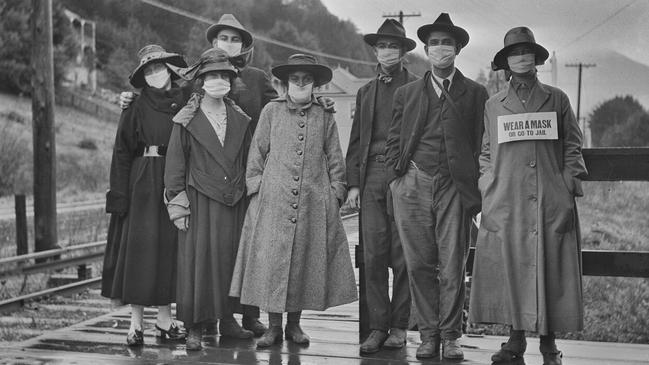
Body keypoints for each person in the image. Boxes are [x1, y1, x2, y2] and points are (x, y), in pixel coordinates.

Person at [470, 27, 587, 365]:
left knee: (549, 268)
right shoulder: (494, 105)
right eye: (514, 52)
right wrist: (487, 186)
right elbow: (486, 151)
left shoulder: (557, 98)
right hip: (507, 200)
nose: (521, 58)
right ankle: (515, 341)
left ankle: (549, 346)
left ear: (536, 58)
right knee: (513, 268)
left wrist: (567, 186)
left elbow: (573, 146)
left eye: (527, 51)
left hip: (550, 200)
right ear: (506, 61)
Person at [229, 54, 358, 348]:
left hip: (313, 200)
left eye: (306, 79)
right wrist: (257, 189)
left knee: (302, 261)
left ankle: (295, 326)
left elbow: (335, 157)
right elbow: (257, 152)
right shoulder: (271, 112)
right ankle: (274, 326)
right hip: (273, 200)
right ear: (286, 83)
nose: (300, 84)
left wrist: (336, 192)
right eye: (295, 80)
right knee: (275, 262)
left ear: (314, 84)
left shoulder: (324, 115)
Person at [385, 13, 488, 360]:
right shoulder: (407, 93)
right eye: (434, 43)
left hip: (454, 188)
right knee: (418, 264)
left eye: (447, 43)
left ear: (457, 48)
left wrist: (473, 186)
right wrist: (397, 180)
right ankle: (428, 335)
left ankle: (452, 335)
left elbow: (481, 143)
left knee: (453, 263)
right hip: (413, 182)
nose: (440, 49)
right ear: (426, 50)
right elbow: (393, 140)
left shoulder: (475, 93)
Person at [163, 48, 255, 350]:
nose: (218, 80)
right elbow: (175, 164)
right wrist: (178, 206)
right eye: (212, 75)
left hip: (234, 200)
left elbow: (246, 159)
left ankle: (228, 320)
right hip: (200, 199)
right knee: (198, 264)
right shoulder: (186, 118)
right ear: (201, 80)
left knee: (230, 261)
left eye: (223, 75)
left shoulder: (240, 118)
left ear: (231, 80)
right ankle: (195, 326)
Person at [102, 44, 190, 346]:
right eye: (149, 70)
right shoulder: (134, 106)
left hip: (173, 179)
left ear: (169, 69)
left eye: (159, 67)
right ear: (143, 76)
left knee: (167, 250)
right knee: (139, 252)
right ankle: (135, 325)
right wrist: (119, 196)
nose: (155, 73)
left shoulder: (185, 99)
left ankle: (165, 321)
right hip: (141, 181)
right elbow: (121, 152)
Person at [345, 19, 417, 354]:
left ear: (403, 52)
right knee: (372, 254)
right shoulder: (365, 91)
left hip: (404, 175)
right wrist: (355, 185)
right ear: (375, 51)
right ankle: (377, 326)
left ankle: (400, 326)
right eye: (382, 46)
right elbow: (357, 140)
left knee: (403, 255)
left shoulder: (418, 87)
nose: (387, 51)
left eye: (393, 46)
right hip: (371, 174)